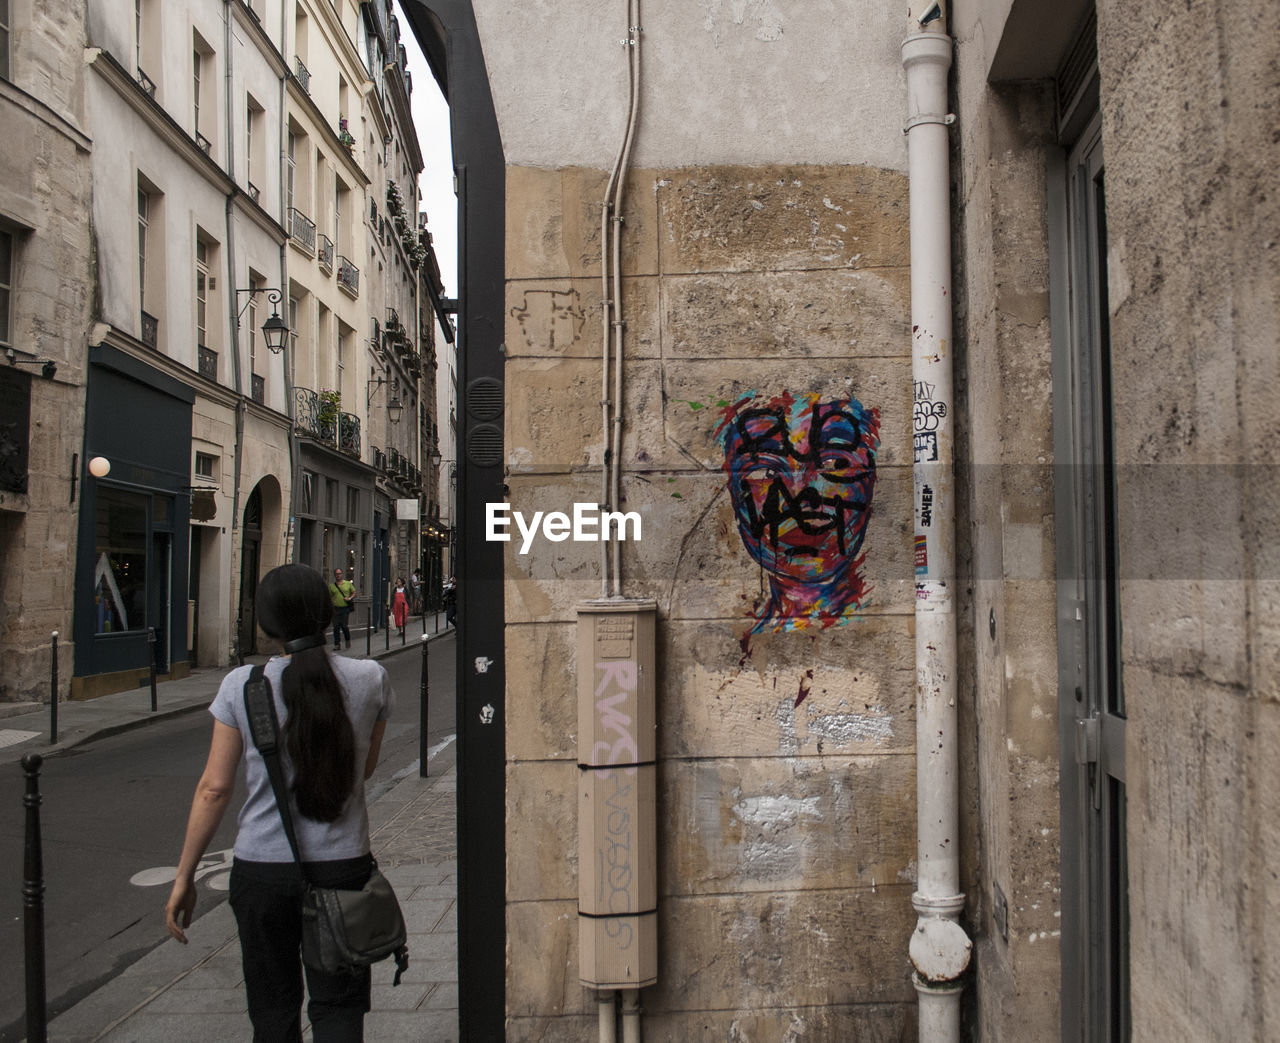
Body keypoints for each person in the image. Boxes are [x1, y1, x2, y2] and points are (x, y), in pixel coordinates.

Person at [164, 564, 394, 1042]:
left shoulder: (242, 687)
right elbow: (366, 770)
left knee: (272, 1010)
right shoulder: (370, 678)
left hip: (263, 871)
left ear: (267, 624)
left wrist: (184, 875)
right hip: (343, 869)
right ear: (328, 616)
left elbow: (214, 788)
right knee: (339, 1009)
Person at [328, 568, 355, 649]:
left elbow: (354, 592)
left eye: (339, 574)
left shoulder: (347, 584)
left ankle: (347, 640)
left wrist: (349, 598)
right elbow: (330, 596)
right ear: (334, 575)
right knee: (336, 627)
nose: (338, 575)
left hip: (345, 608)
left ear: (342, 574)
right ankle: (337, 644)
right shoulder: (332, 586)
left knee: (344, 626)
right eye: (336, 574)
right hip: (336, 608)